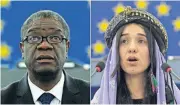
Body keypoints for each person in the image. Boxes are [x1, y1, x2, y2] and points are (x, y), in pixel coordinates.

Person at [91, 6, 180, 104]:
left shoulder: (173, 99)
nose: (132, 48)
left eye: (141, 41)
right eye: (124, 41)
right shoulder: (100, 100)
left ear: (154, 52)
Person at [1, 10, 90, 104]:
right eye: (34, 38)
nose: (44, 45)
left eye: (55, 38)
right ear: (22, 49)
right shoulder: (3, 99)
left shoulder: (92, 97)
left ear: (67, 47)